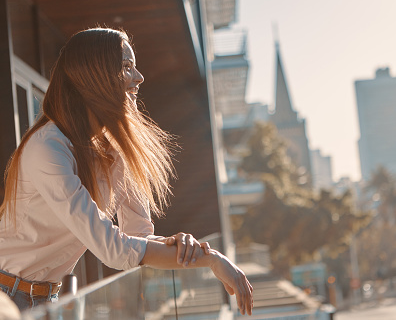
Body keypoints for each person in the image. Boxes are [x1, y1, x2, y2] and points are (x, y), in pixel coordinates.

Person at [0, 28, 253, 314]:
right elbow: (115, 249)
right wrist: (211, 260)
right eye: (126, 67)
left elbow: (140, 239)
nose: (139, 78)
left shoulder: (114, 151)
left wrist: (193, 248)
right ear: (93, 76)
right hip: (6, 298)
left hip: (49, 299)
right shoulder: (48, 148)